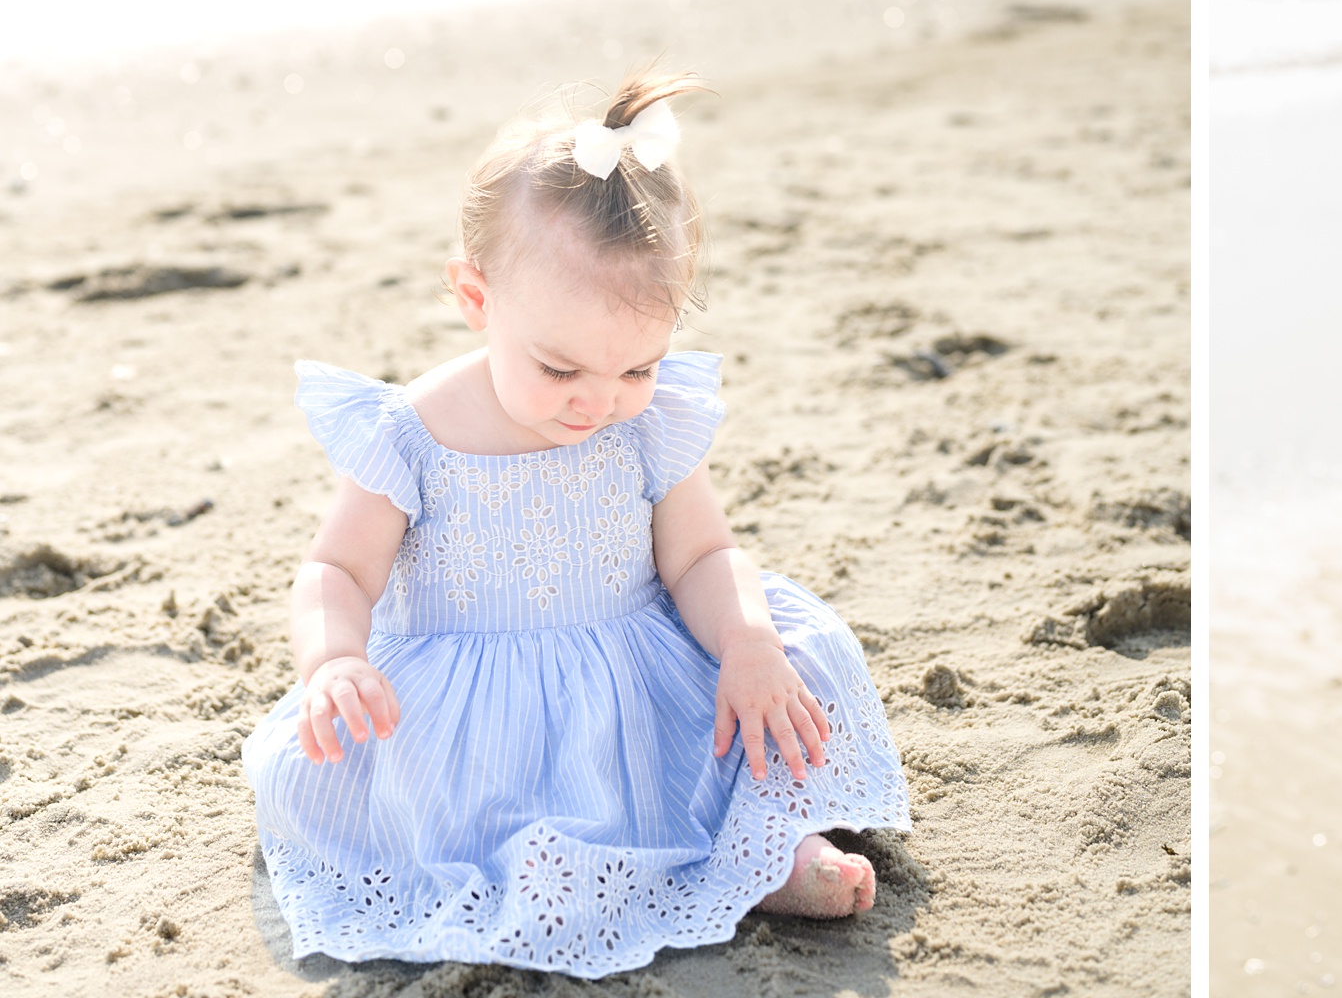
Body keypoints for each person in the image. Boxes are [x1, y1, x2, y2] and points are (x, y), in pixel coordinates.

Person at [242, 69, 911, 978]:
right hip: (475, 707)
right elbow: (337, 573)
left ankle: (771, 853)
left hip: (635, 674)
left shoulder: (650, 420)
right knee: (500, 820)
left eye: (637, 366)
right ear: (477, 300)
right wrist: (335, 661)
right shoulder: (415, 431)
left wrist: (748, 644)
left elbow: (703, 553)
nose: (599, 402)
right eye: (560, 369)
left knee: (781, 676)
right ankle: (726, 868)